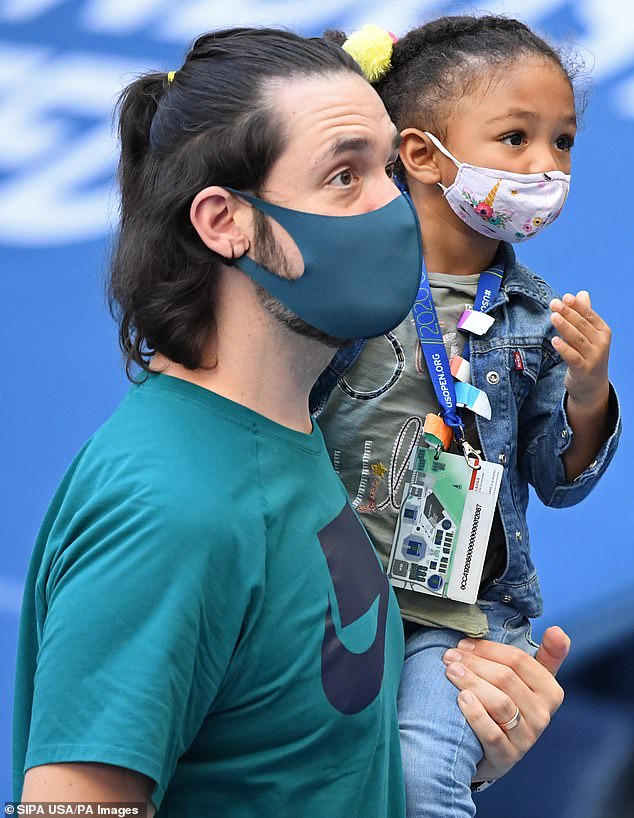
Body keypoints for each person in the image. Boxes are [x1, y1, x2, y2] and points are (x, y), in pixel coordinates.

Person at [13, 26, 571, 818]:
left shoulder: (295, 441)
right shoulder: (173, 509)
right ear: (225, 222)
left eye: (385, 167)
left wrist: (447, 760)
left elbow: (284, 760)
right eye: (343, 176)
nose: (392, 204)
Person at [315, 16, 621, 818]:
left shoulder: (538, 315)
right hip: (318, 594)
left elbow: (558, 482)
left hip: (461, 619)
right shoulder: (334, 289)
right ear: (420, 154)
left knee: (423, 783)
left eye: (564, 143)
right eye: (516, 138)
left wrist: (589, 390)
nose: (546, 168)